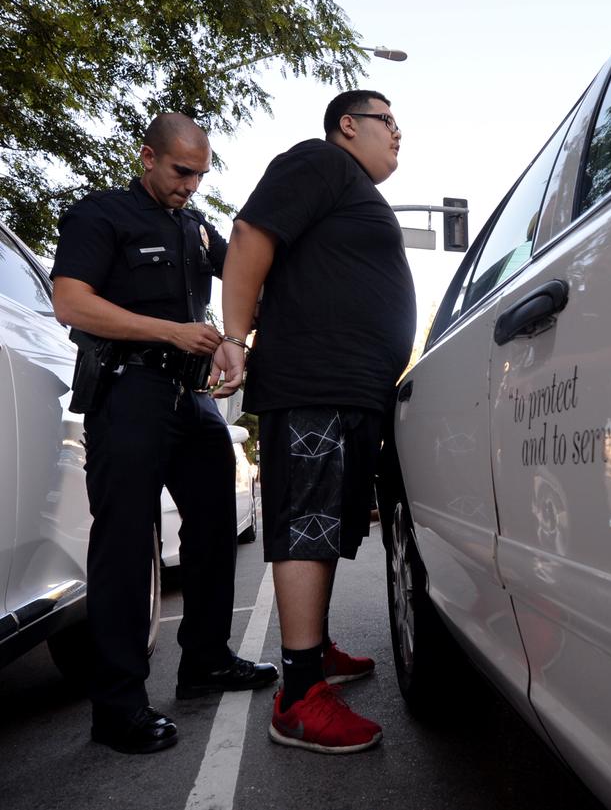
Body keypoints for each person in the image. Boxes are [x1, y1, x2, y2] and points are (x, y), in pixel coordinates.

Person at [51, 113, 279, 754]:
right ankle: (117, 708)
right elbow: (70, 301)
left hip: (190, 396)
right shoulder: (102, 215)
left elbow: (240, 285)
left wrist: (231, 344)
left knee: (215, 525)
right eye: (182, 172)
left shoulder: (195, 229)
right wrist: (172, 332)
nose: (190, 186)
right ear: (147, 156)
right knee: (126, 542)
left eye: (201, 175)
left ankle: (205, 661)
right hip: (127, 391)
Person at [213, 90, 415, 754]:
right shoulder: (319, 162)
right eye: (389, 121)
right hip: (314, 382)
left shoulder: (348, 187)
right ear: (347, 126)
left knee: (328, 521)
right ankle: (298, 696)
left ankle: (315, 648)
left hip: (348, 387)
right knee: (307, 521)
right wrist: (234, 338)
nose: (400, 134)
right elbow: (249, 234)